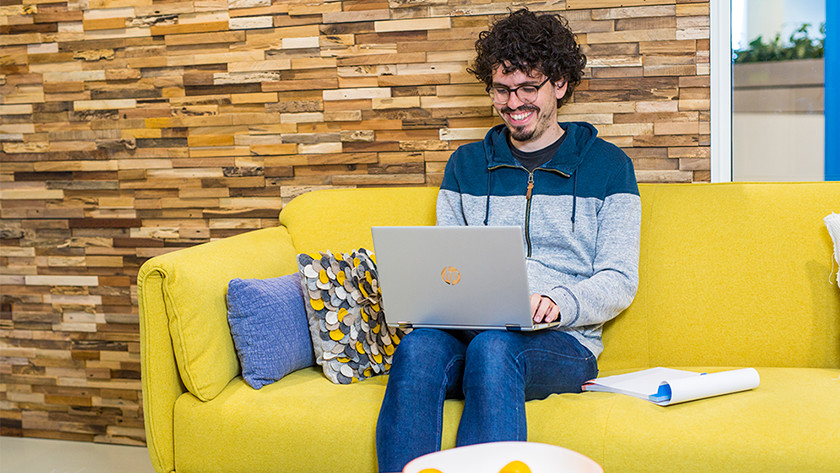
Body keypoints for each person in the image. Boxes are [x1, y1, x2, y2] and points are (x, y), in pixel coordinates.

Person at [375, 8, 641, 472]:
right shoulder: (466, 165)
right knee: (417, 348)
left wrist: (558, 303)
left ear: (558, 84)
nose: (514, 102)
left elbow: (619, 278)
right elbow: (448, 265)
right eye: (502, 89)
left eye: (527, 87)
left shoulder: (609, 166)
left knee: (495, 349)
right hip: (471, 333)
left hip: (561, 342)